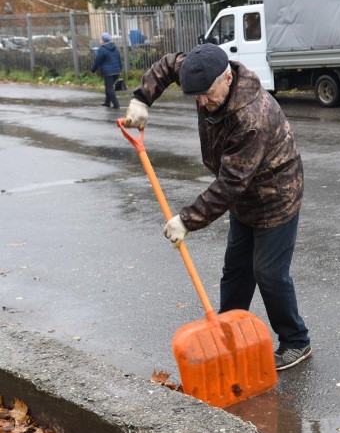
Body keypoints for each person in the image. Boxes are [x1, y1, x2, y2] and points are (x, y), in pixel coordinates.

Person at [121, 43, 312, 371]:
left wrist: (187, 220)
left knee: (268, 273)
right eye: (196, 96)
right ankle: (226, 333)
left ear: (227, 78)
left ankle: (296, 340)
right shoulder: (202, 73)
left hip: (276, 196)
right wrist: (142, 97)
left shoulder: (251, 115)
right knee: (236, 270)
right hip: (244, 199)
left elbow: (230, 183)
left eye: (207, 95)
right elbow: (169, 64)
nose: (202, 103)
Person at [91, 33, 122, 109]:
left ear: (103, 40)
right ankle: (107, 103)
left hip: (108, 72)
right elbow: (119, 59)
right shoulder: (115, 48)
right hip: (116, 71)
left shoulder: (102, 49)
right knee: (108, 87)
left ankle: (116, 104)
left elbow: (98, 61)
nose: (100, 40)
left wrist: (93, 69)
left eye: (101, 39)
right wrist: (120, 69)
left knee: (109, 88)